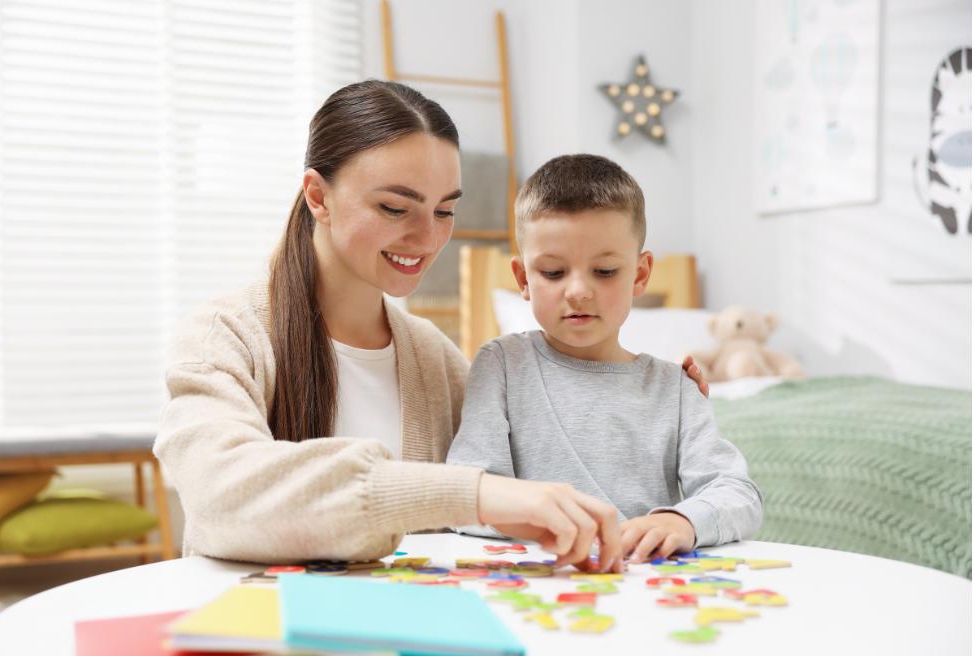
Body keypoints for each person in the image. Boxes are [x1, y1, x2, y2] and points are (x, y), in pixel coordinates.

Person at [154, 81, 706, 572]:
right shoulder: (225, 336)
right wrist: (475, 494)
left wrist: (650, 392)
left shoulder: (436, 360)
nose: (426, 239)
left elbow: (547, 450)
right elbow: (220, 495)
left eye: (444, 211)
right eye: (397, 208)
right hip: (256, 630)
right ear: (318, 197)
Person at [446, 154, 763, 563]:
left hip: (641, 587)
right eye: (554, 273)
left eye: (605, 271)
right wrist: (543, 520)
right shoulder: (502, 365)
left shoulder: (675, 389)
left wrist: (682, 522)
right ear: (523, 279)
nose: (578, 291)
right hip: (532, 583)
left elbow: (738, 494)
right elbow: (466, 494)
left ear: (641, 274)